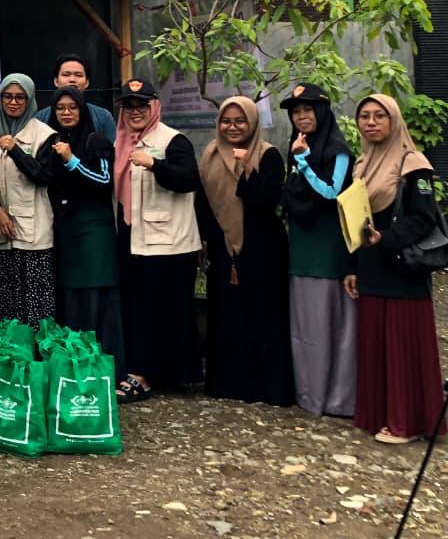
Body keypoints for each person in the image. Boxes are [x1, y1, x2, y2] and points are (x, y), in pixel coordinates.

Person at [349, 94, 446, 444]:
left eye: (379, 116)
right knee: (376, 345)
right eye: (364, 116)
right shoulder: (362, 163)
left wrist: (385, 238)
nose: (371, 122)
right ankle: (379, 414)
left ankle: (406, 421)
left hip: (402, 269)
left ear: (394, 122)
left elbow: (423, 218)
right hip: (372, 266)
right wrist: (353, 267)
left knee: (402, 347)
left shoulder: (413, 164)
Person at [196, 97, 293, 406]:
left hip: (262, 248)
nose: (233, 127)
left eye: (240, 121)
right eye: (227, 121)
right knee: (227, 316)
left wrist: (246, 167)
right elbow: (203, 202)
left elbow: (265, 202)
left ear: (252, 123)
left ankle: (266, 387)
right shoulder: (210, 154)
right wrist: (204, 240)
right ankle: (228, 383)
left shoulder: (269, 155)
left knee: (263, 316)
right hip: (223, 248)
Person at [113, 78, 202, 403]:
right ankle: (148, 372)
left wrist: (156, 165)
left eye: (142, 105)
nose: (135, 112)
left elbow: (190, 179)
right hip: (134, 237)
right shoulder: (121, 142)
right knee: (140, 309)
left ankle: (148, 376)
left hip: (170, 243)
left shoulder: (172, 140)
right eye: (129, 106)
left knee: (165, 310)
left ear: (154, 107)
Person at [280, 84, 356, 417]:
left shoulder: (337, 150)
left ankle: (337, 399)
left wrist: (304, 162)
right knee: (305, 327)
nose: (301, 117)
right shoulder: (297, 147)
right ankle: (309, 394)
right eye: (296, 112)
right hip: (302, 248)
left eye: (307, 110)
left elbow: (331, 192)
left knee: (331, 326)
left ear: (321, 112)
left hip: (328, 251)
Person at [46, 86, 124, 377]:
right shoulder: (51, 142)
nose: (66, 113)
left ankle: (102, 372)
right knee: (72, 299)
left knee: (95, 299)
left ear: (82, 110)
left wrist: (72, 159)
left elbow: (103, 180)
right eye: (60, 108)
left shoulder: (95, 140)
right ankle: (74, 372)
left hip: (94, 233)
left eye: (72, 107)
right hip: (66, 231)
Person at [0, 74, 56, 328]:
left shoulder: (45, 135)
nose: (13, 102)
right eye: (8, 97)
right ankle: (6, 357)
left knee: (35, 303)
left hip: (35, 231)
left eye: (20, 97)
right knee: (2, 300)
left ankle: (34, 358)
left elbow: (43, 176)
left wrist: (16, 150)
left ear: (30, 100)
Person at [36, 53, 117, 144]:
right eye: (66, 75)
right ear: (56, 81)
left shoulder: (102, 117)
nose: (72, 80)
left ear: (86, 82)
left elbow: (111, 153)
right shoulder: (41, 118)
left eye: (78, 75)